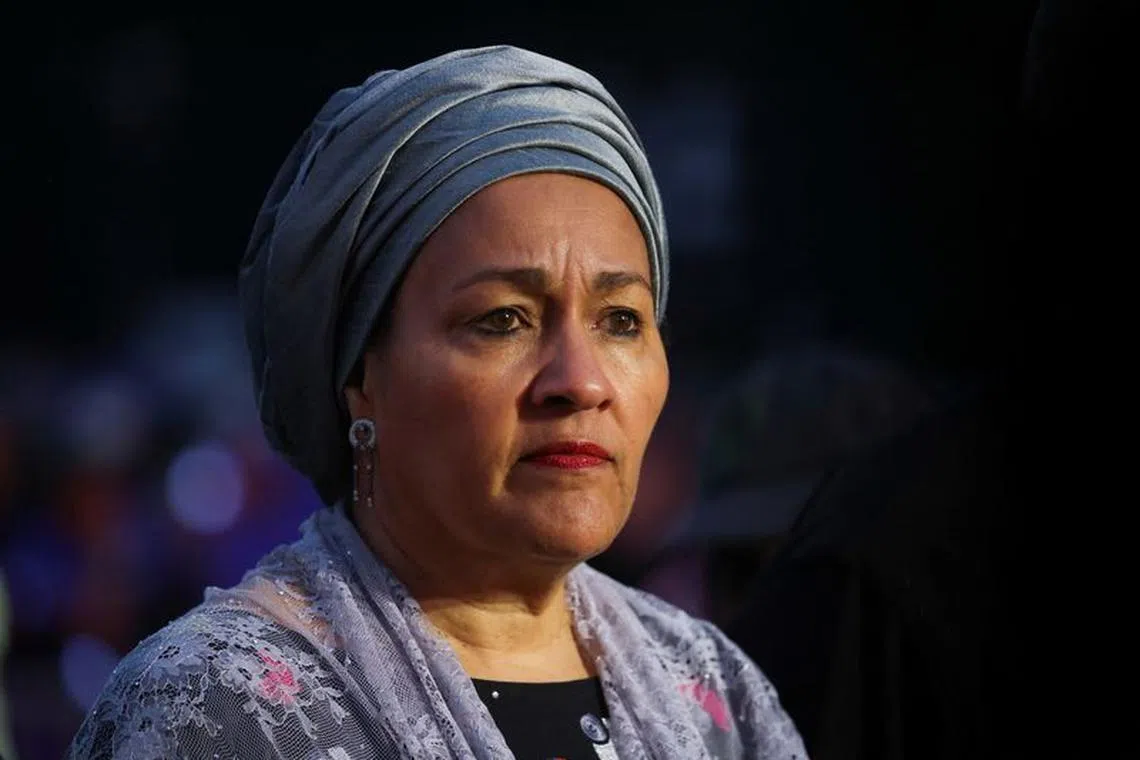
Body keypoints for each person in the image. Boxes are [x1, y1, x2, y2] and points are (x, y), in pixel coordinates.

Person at [67, 46, 806, 759]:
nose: (580, 381)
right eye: (503, 320)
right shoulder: (215, 713)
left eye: (621, 321)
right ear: (362, 374)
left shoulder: (713, 694)